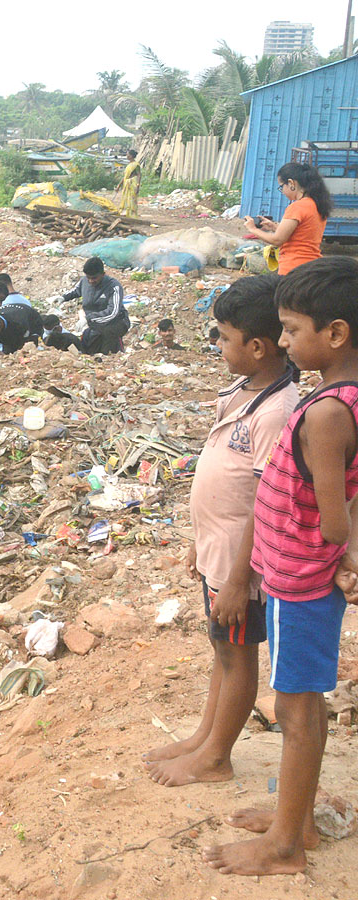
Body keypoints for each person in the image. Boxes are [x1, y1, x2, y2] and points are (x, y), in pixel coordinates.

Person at [204, 258, 358, 876]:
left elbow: (334, 517)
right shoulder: (335, 397)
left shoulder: (326, 411)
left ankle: (286, 844)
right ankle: (293, 823)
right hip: (294, 577)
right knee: (298, 704)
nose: (287, 342)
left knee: (296, 709)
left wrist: (342, 557)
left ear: (337, 334)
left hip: (302, 585)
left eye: (293, 330)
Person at [143, 276, 298, 789]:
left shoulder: (277, 411)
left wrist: (237, 579)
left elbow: (263, 500)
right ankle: (205, 737)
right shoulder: (242, 391)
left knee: (237, 656)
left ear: (257, 347)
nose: (217, 345)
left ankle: (217, 758)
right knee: (221, 650)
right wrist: (198, 541)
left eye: (224, 337)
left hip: (241, 565)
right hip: (218, 553)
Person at [244, 161, 333, 275]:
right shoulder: (317, 205)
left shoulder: (297, 207)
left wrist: (253, 229)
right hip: (312, 267)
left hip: (293, 269)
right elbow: (302, 234)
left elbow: (277, 240)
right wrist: (275, 227)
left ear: (291, 183)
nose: (282, 191)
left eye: (281, 187)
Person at [61, 257, 129, 355]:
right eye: (88, 278)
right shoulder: (84, 281)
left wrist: (89, 319)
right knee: (88, 346)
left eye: (94, 278)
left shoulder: (113, 286)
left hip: (115, 322)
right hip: (94, 322)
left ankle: (116, 354)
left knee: (108, 346)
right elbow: (76, 291)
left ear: (102, 274)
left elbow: (113, 312)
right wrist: (63, 298)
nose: (91, 281)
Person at [117, 149, 142, 218]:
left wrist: (138, 185)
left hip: (132, 183)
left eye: (127, 154)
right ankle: (127, 214)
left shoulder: (136, 165)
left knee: (132, 199)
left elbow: (139, 175)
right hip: (126, 183)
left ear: (131, 156)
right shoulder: (129, 165)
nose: (126, 156)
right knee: (125, 199)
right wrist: (119, 186)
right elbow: (125, 177)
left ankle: (133, 215)